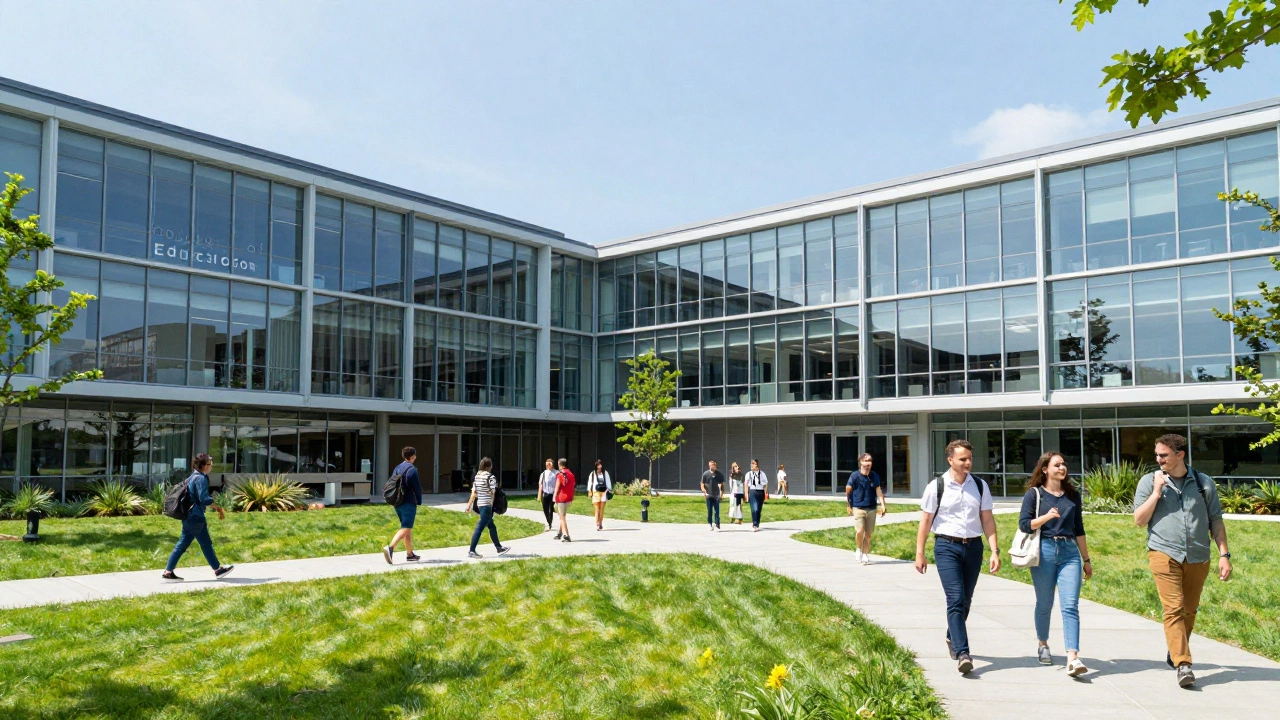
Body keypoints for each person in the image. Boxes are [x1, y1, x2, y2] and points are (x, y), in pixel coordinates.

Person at [1133, 433, 1232, 688]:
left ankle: (1176, 648)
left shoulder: (1203, 483)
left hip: (1198, 555)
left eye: (1164, 455)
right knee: (1173, 608)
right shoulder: (1148, 481)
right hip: (1163, 552)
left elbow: (1216, 521)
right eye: (1156, 455)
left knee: (1190, 609)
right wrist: (1156, 492)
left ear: (1180, 455)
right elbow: (1139, 520)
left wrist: (1224, 555)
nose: (1159, 460)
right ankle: (1184, 664)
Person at [914, 439, 999, 675]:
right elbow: (926, 521)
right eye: (963, 459)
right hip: (946, 547)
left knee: (966, 600)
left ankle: (952, 636)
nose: (968, 463)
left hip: (973, 548)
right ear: (950, 460)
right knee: (955, 598)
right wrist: (919, 553)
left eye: (970, 458)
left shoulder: (980, 486)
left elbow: (988, 520)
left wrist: (994, 550)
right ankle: (963, 653)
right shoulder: (936, 486)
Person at [1020, 451, 1091, 677]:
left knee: (1070, 606)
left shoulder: (1072, 495)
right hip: (1045, 550)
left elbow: (1079, 528)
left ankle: (1073, 657)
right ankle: (1043, 643)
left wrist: (1086, 560)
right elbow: (1024, 525)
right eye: (1057, 464)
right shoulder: (1034, 494)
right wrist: (1047, 517)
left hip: (1069, 551)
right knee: (1044, 603)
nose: (1062, 468)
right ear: (1045, 469)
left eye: (1064, 464)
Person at [161, 453, 235, 581]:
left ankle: (168, 572)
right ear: (202, 465)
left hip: (188, 516)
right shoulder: (200, 478)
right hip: (196, 516)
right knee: (205, 543)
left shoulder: (193, 476)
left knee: (182, 544)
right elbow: (204, 498)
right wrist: (217, 506)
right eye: (209, 464)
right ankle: (217, 569)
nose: (211, 466)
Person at [382, 446, 423, 565]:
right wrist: (419, 500)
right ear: (413, 456)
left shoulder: (398, 468)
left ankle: (410, 554)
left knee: (406, 528)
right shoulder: (412, 470)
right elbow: (417, 488)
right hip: (408, 502)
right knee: (406, 527)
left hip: (397, 501)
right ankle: (390, 548)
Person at [465, 457, 511, 559]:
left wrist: (468, 505)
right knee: (480, 527)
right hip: (487, 505)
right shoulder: (491, 477)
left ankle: (498, 547)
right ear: (489, 466)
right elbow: (492, 493)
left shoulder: (477, 476)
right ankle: (472, 550)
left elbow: (474, 493)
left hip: (480, 504)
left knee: (491, 526)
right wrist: (491, 505)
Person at [845, 453, 886, 565]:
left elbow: (878, 491)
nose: (868, 463)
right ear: (861, 463)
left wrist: (883, 505)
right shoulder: (854, 476)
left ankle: (865, 554)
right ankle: (858, 549)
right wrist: (848, 505)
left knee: (868, 534)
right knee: (859, 531)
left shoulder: (874, 476)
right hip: (858, 507)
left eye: (870, 461)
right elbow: (848, 489)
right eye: (866, 460)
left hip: (871, 508)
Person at [554, 458, 576, 542]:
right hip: (569, 498)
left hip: (561, 498)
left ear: (560, 464)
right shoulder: (571, 474)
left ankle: (566, 535)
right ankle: (559, 533)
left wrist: (554, 497)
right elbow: (573, 486)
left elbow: (557, 487)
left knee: (562, 517)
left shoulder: (560, 475)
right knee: (562, 515)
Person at [588, 460, 612, 531]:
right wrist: (590, 490)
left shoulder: (605, 473)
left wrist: (609, 489)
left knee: (601, 509)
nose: (599, 467)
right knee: (597, 509)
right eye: (598, 465)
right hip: (596, 492)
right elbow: (590, 482)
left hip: (604, 492)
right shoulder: (593, 474)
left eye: (600, 465)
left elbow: (608, 481)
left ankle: (600, 522)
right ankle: (597, 523)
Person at [700, 459, 725, 530]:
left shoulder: (719, 475)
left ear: (715, 466)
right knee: (709, 510)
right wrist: (704, 491)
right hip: (709, 495)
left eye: (713, 465)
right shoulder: (705, 474)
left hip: (716, 495)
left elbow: (721, 485)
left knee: (717, 510)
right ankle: (709, 523)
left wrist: (721, 494)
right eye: (710, 465)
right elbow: (702, 483)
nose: (712, 466)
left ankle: (717, 523)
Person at [745, 459, 768, 531]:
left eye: (753, 463)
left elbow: (765, 484)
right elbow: (746, 484)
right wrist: (746, 494)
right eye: (751, 463)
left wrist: (765, 494)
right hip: (752, 491)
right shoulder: (748, 474)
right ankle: (754, 524)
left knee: (758, 509)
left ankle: (757, 523)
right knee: (754, 508)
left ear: (757, 465)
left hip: (760, 491)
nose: (751, 465)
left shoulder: (762, 474)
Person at [537, 458, 558, 531]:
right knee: (545, 509)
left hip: (553, 494)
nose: (548, 465)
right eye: (547, 464)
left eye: (549, 464)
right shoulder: (543, 474)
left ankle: (550, 524)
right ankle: (548, 521)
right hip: (545, 494)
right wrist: (539, 496)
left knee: (550, 509)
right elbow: (540, 485)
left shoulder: (556, 473)